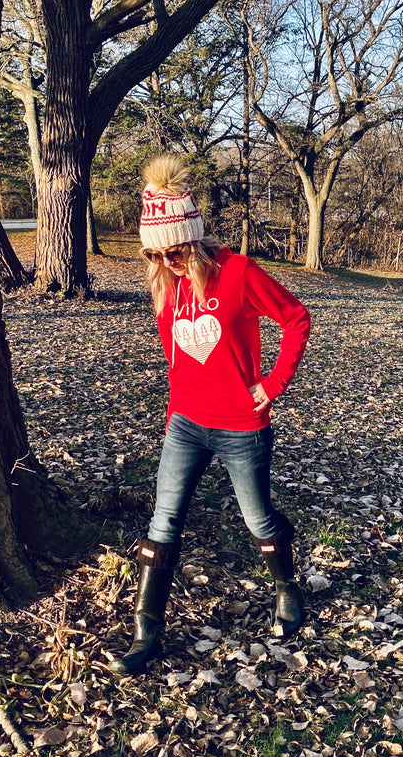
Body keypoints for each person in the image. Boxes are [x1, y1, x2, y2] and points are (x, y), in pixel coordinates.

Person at [110, 155, 312, 676]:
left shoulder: (239, 273)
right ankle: (146, 634)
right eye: (155, 254)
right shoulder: (166, 283)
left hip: (241, 426)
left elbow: (296, 318)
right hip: (186, 424)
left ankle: (287, 588)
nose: (166, 261)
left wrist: (273, 384)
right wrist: (175, 412)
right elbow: (176, 359)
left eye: (174, 251)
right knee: (163, 521)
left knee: (258, 520)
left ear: (193, 240)